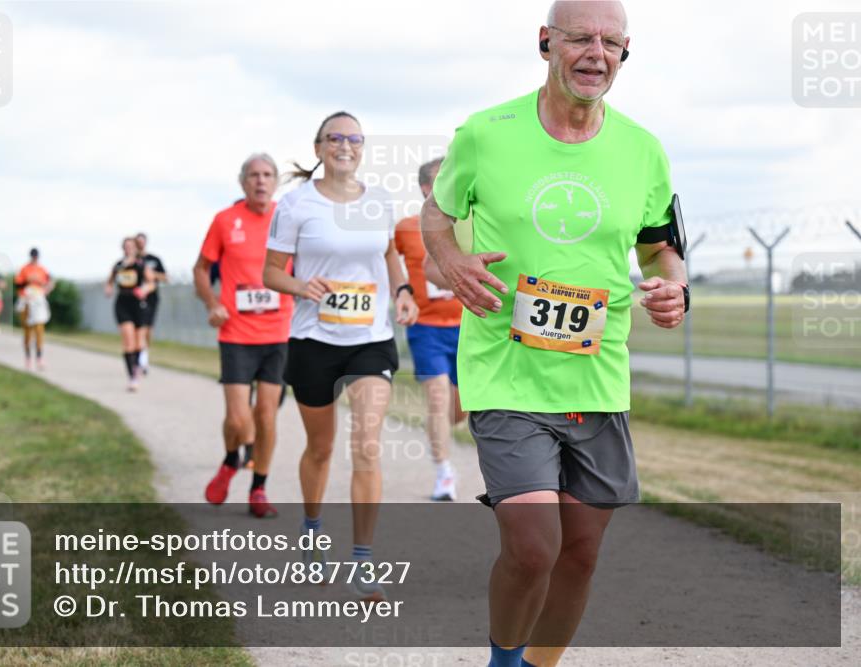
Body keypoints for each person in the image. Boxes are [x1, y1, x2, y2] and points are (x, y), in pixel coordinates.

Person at [421, 2, 688, 665]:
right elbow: (436, 214)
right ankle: (503, 660)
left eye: (611, 42)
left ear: (626, 53)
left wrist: (673, 286)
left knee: (580, 551)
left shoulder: (643, 149)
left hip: (595, 379)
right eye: (579, 39)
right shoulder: (487, 133)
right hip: (506, 368)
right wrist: (452, 262)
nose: (596, 53)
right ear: (546, 43)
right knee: (534, 543)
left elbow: (662, 247)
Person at [263, 111, 419, 601]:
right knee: (321, 447)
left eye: (354, 138)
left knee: (367, 444)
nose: (345, 145)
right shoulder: (294, 205)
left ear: (362, 147)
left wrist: (404, 291)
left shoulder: (378, 202)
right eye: (336, 138)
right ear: (318, 147)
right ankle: (311, 531)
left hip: (370, 338)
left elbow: (390, 253)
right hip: (313, 339)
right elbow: (271, 272)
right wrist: (299, 284)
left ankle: (364, 560)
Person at [195, 153, 293, 519]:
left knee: (266, 415)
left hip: (279, 332)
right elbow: (201, 269)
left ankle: (258, 489)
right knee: (238, 419)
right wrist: (211, 302)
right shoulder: (224, 220)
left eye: (268, 175)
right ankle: (232, 457)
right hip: (235, 332)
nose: (261, 181)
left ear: (276, 181)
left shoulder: (288, 217)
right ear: (243, 182)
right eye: (254, 175)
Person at [394, 158, 466, 501]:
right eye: (440, 180)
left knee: (460, 408)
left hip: (467, 327)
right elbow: (386, 263)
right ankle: (444, 475)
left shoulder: (470, 225)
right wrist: (400, 295)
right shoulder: (406, 228)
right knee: (437, 400)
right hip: (427, 328)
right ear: (425, 188)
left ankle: (436, 432)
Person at [105, 237, 156, 391]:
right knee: (128, 341)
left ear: (135, 248)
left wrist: (144, 289)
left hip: (138, 304)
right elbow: (109, 281)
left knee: (139, 342)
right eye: (126, 246)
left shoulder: (141, 265)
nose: (128, 249)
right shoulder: (118, 266)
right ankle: (133, 376)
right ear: (122, 248)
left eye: (131, 246)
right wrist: (108, 288)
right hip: (122, 303)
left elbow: (151, 283)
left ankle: (139, 365)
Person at [14, 248, 53, 370]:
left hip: (38, 300)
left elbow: (50, 282)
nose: (35, 258)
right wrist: (28, 281)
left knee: (39, 330)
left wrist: (46, 290)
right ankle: (28, 358)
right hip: (27, 301)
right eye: (33, 256)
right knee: (27, 331)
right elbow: (17, 284)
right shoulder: (24, 269)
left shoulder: (42, 270)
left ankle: (39, 358)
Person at [134, 232, 167, 375]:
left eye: (142, 241)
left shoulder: (154, 259)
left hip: (151, 298)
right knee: (138, 330)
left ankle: (143, 357)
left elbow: (165, 277)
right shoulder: (132, 260)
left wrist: (152, 274)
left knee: (147, 330)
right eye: (137, 242)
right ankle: (140, 360)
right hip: (134, 299)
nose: (140, 244)